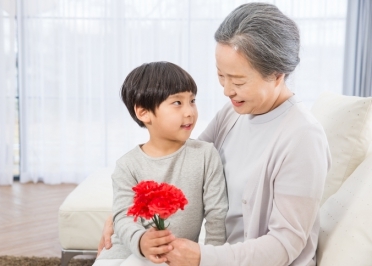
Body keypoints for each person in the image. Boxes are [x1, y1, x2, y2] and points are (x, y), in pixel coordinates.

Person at [97, 2, 332, 266]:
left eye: (239, 81)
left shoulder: (303, 138)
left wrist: (203, 257)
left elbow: (284, 245)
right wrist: (124, 215)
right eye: (221, 76)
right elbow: (181, 165)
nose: (227, 90)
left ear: (277, 75)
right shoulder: (233, 114)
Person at [94, 62, 228, 266]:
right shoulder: (127, 165)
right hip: (124, 251)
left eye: (192, 101)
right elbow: (123, 217)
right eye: (177, 103)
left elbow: (217, 215)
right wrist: (140, 241)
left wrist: (212, 259)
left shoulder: (205, 155)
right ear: (144, 113)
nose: (189, 111)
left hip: (175, 255)